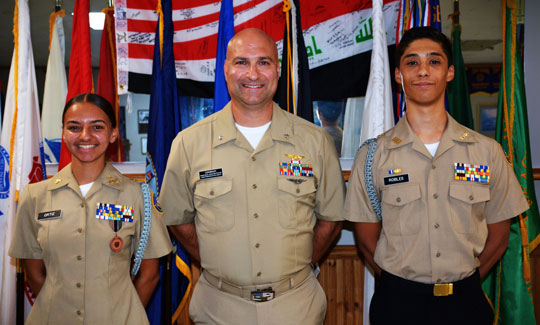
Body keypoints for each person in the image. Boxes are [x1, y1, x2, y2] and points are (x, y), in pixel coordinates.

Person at [344, 26, 529, 325]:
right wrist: (405, 285)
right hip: (398, 304)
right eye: (412, 62)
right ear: (398, 74)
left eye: (434, 61)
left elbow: (499, 235)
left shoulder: (486, 152)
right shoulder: (374, 155)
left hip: (465, 304)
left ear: (450, 72)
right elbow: (366, 240)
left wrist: (463, 284)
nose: (423, 71)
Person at [160, 28, 345, 324]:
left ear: (278, 69)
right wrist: (215, 262)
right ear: (226, 69)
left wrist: (298, 266)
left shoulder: (314, 141)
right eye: (242, 62)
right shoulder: (189, 143)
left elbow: (332, 218)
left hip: (296, 307)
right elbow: (177, 219)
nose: (253, 74)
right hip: (219, 309)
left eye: (264, 62)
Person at [9, 93, 172, 324]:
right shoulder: (35, 196)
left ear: (113, 133)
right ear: (64, 133)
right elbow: (34, 273)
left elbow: (150, 274)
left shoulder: (138, 195)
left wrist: (121, 314)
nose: (85, 136)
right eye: (74, 127)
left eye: (97, 126)